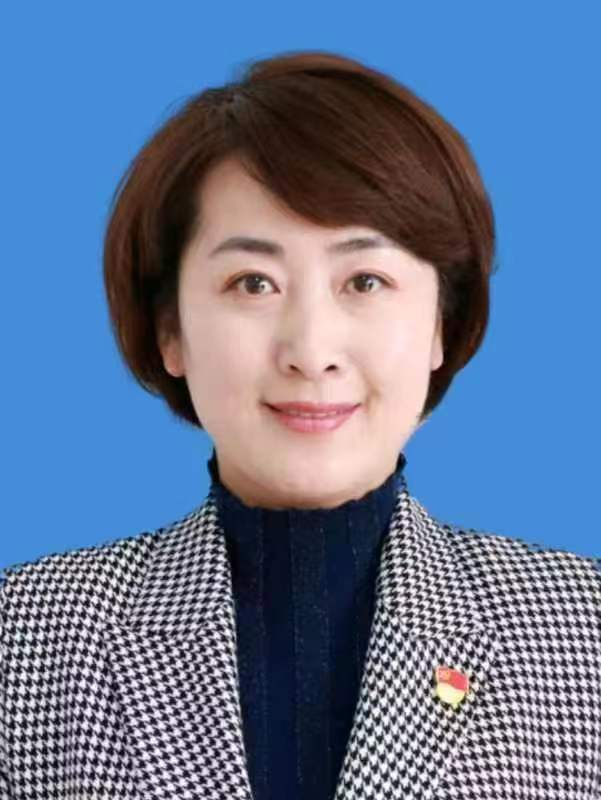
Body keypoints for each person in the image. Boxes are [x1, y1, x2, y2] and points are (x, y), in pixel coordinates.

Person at [1, 49, 600, 800]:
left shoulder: (581, 631)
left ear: (440, 325)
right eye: (253, 283)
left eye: (365, 280)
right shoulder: (27, 637)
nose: (311, 351)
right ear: (170, 330)